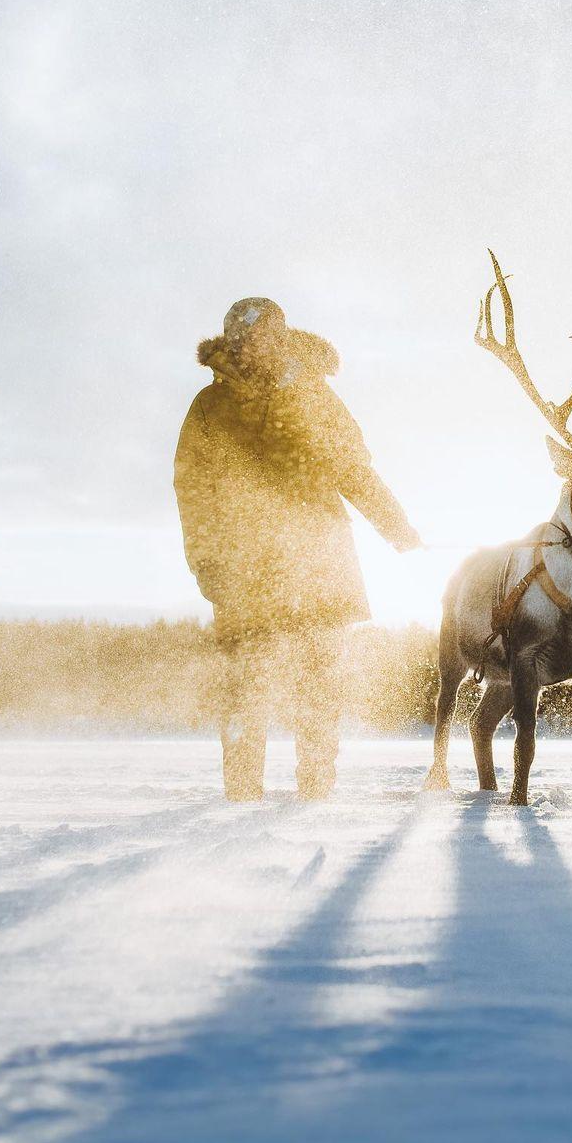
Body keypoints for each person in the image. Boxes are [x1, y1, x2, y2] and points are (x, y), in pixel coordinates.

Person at [174, 297, 420, 801]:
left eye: (263, 337)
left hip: (319, 561)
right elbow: (192, 489)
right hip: (243, 569)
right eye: (242, 340)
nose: (251, 348)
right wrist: (206, 560)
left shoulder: (313, 395)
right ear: (230, 343)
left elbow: (353, 469)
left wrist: (398, 529)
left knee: (320, 687)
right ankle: (241, 800)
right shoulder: (209, 406)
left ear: (281, 338)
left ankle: (316, 795)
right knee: (245, 688)